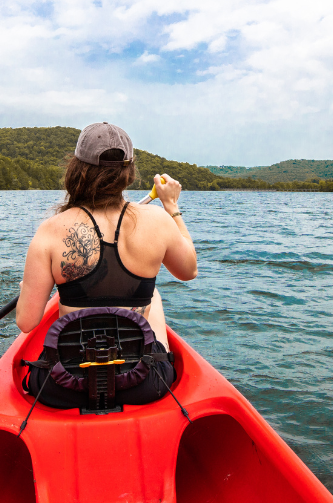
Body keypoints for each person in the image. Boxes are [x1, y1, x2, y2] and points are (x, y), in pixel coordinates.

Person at [16, 122, 197, 408]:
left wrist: (28, 286)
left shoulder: (50, 230)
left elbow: (26, 323)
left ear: (77, 169)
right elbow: (189, 271)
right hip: (144, 383)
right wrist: (172, 208)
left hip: (65, 386)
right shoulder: (157, 221)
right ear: (129, 173)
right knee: (153, 294)